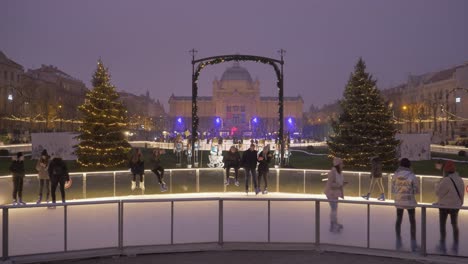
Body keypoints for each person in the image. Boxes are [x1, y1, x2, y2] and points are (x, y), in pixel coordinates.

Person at [434, 160, 465, 255]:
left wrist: (438, 183)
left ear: (446, 170)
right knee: (454, 225)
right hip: (455, 206)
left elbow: (438, 192)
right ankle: (455, 246)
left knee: (442, 226)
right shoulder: (460, 179)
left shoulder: (446, 180)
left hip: (444, 206)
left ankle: (442, 246)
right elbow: (462, 193)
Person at [391, 158, 419, 252]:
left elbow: (392, 189)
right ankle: (413, 243)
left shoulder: (395, 175)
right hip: (410, 202)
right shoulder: (412, 175)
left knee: (398, 220)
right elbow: (417, 191)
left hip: (399, 201)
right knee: (412, 222)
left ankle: (398, 242)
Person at [324, 157, 346, 233]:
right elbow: (330, 184)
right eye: (341, 163)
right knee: (334, 209)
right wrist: (339, 185)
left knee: (334, 209)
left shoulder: (339, 172)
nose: (343, 165)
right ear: (338, 164)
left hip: (335, 193)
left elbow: (338, 183)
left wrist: (342, 184)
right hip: (331, 193)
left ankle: (334, 224)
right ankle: (333, 225)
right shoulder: (333, 172)